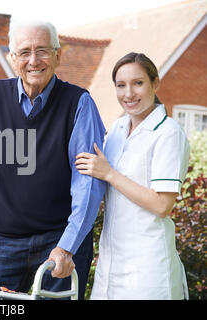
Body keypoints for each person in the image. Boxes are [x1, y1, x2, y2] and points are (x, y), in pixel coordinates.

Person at [0, 19, 106, 299]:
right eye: (24, 52)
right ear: (12, 58)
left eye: (42, 50)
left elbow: (87, 184)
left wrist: (67, 246)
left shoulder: (79, 103)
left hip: (60, 238)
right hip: (5, 240)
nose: (33, 60)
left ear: (57, 55)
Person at [75, 52, 190, 299]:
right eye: (121, 85)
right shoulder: (116, 129)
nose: (128, 94)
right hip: (110, 263)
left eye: (138, 83)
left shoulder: (169, 133)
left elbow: (162, 205)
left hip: (148, 268)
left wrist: (110, 174)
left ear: (155, 83)